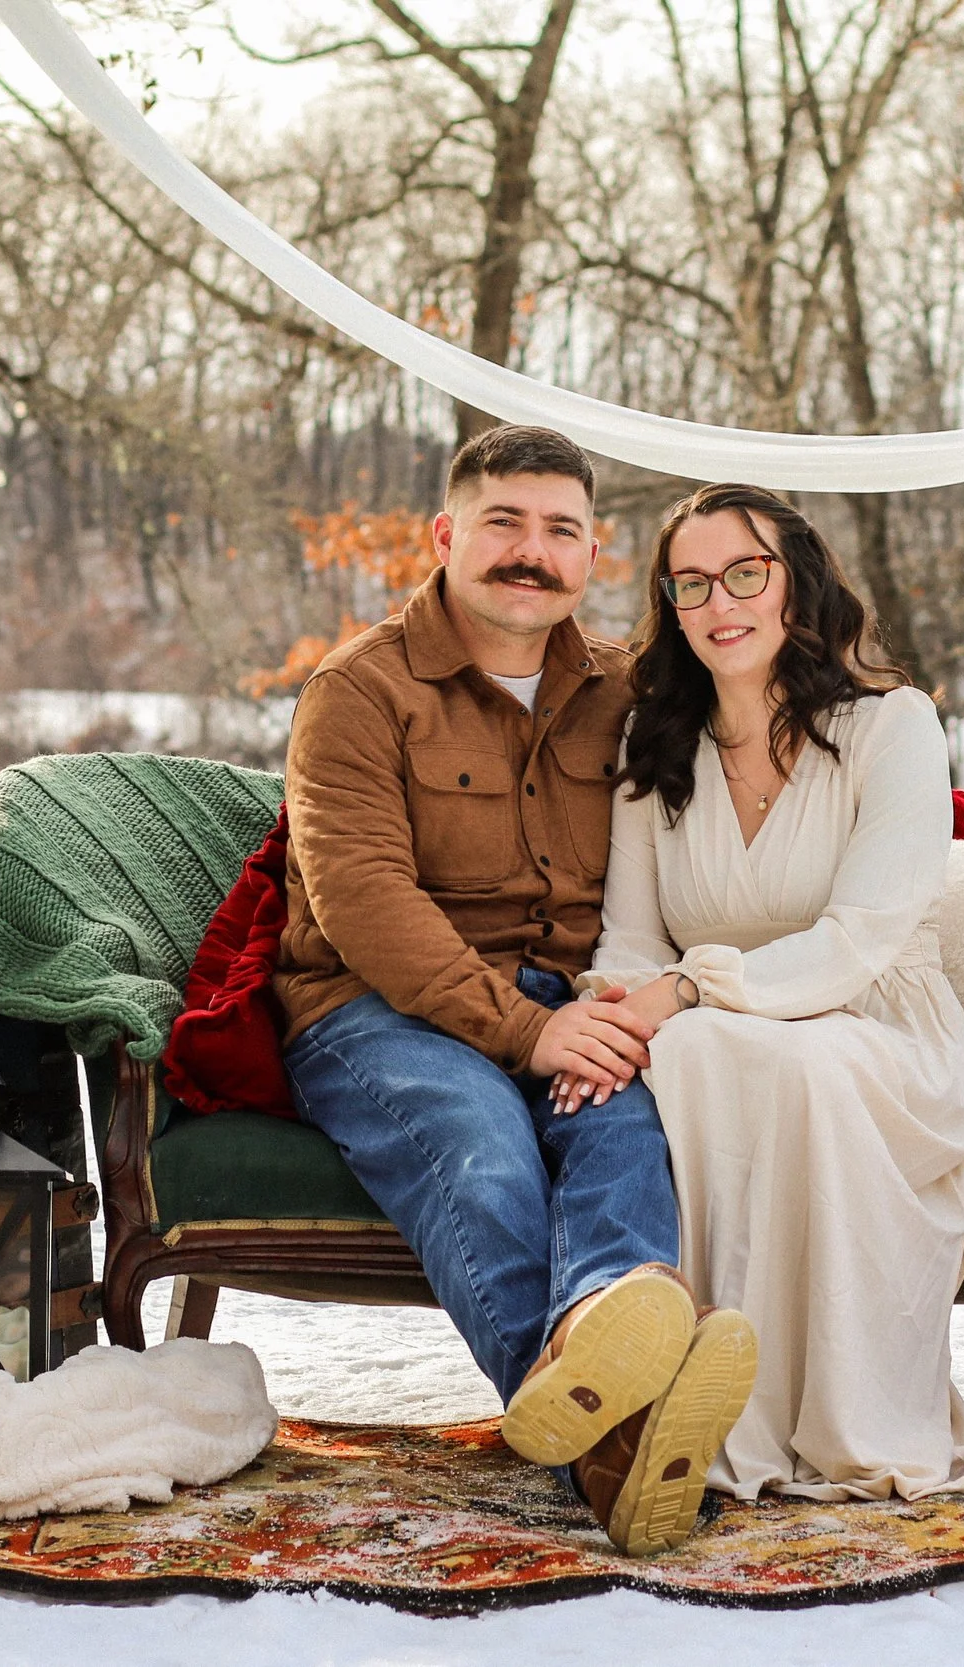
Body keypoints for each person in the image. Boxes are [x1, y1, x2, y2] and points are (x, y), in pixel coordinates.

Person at [274, 425, 756, 1555]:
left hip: (574, 994)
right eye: (503, 523)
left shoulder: (630, 692)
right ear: (445, 534)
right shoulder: (357, 691)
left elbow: (759, 742)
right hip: (374, 1007)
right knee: (482, 1148)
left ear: (593, 553)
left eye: (559, 531)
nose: (529, 553)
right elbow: (363, 900)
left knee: (627, 1127)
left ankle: (601, 1339)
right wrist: (530, 1030)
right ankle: (620, 1451)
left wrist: (624, 1007)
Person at [570, 481, 964, 1502]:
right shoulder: (655, 746)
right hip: (713, 1031)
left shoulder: (894, 727)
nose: (721, 602)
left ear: (795, 584)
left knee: (749, 1047)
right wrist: (620, 1018)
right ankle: (692, 1405)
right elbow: (630, 936)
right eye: (691, 583)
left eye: (745, 573)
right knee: (693, 1049)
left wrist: (687, 986)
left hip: (877, 1029)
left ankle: (801, 1418)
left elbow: (863, 937)